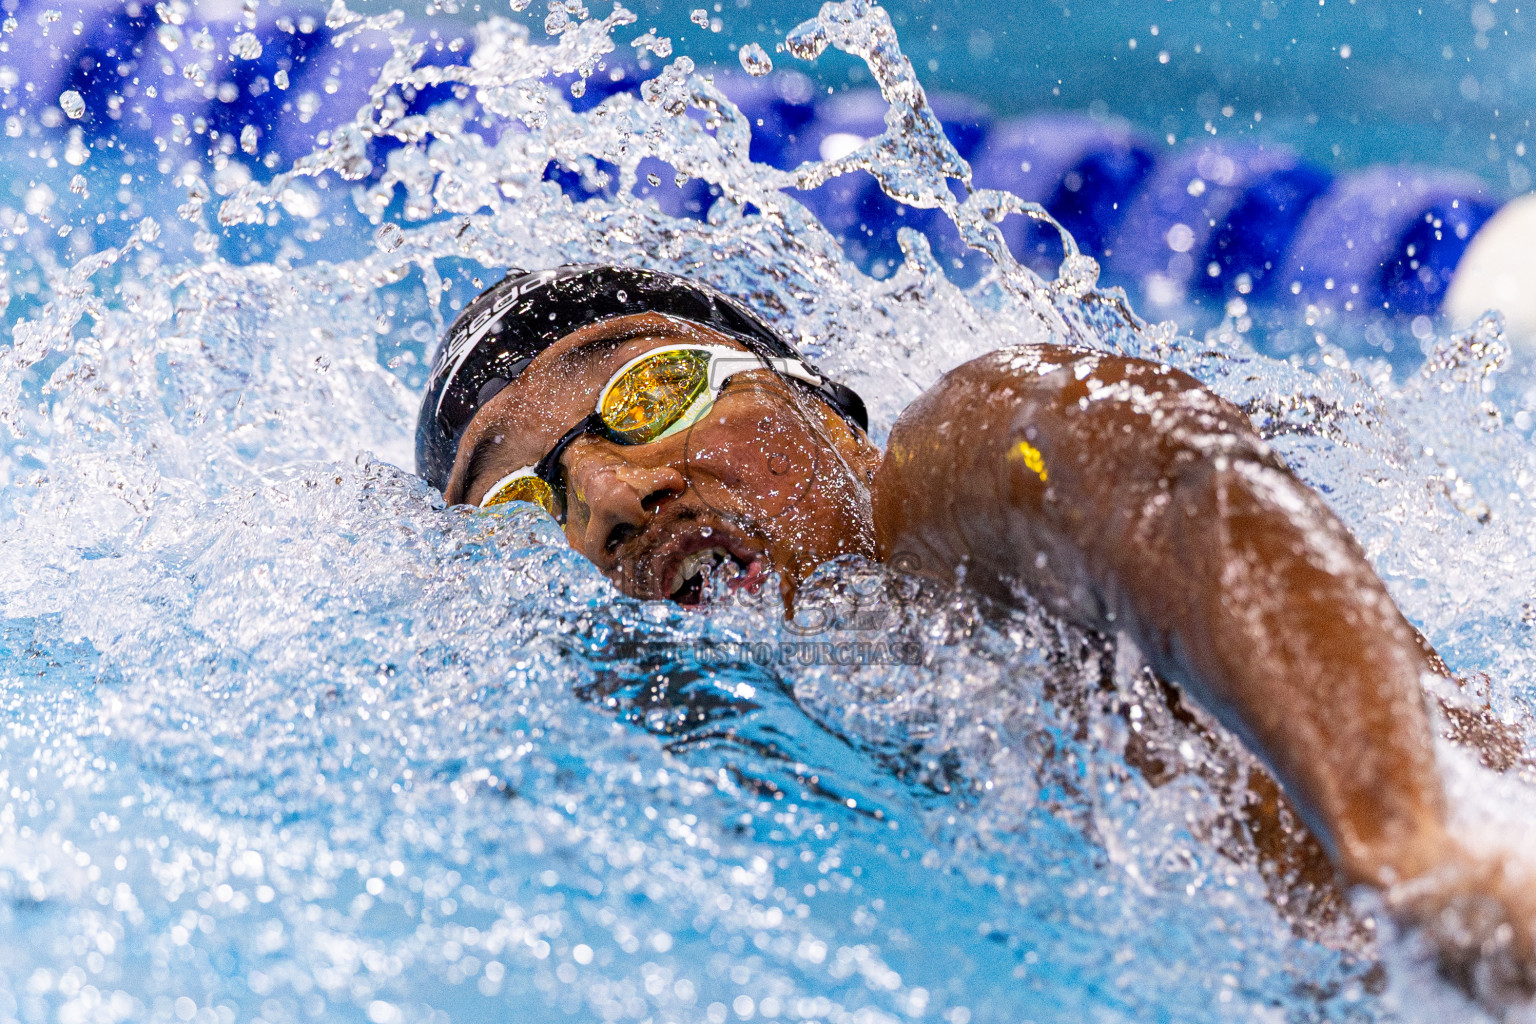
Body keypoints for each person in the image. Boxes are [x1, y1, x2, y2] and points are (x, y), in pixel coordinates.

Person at [417, 263, 1535, 1010]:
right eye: (527, 504)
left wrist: (1411, 839)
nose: (607, 495)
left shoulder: (942, 485)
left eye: (653, 390)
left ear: (819, 400)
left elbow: (1154, 475)